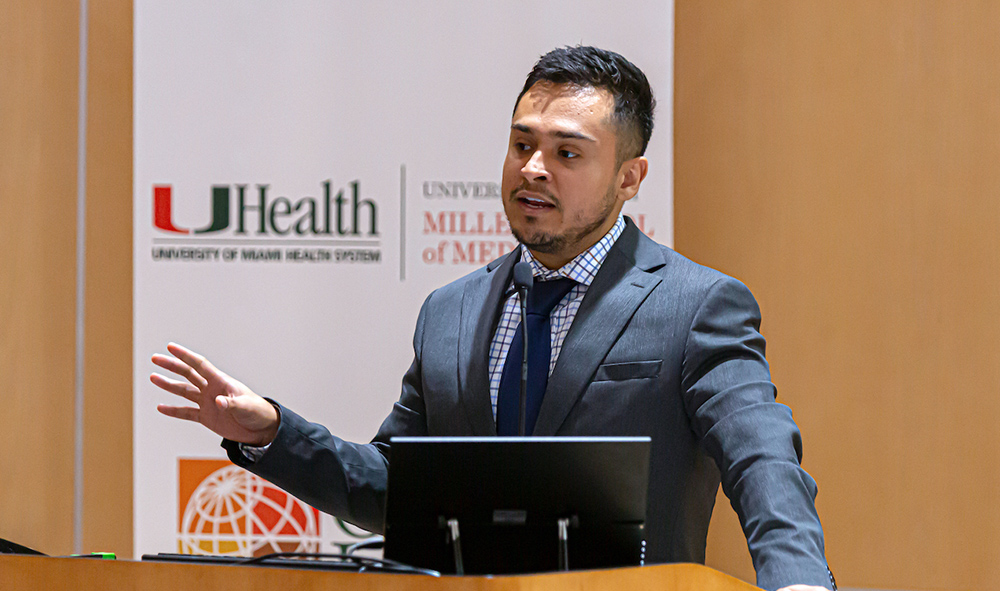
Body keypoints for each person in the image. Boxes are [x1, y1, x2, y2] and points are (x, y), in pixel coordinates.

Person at [153, 46, 834, 591]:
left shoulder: (695, 304)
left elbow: (763, 457)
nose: (533, 169)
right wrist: (274, 433)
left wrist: (797, 581)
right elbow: (396, 487)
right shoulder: (449, 312)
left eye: (567, 153)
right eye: (520, 144)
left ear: (629, 178)